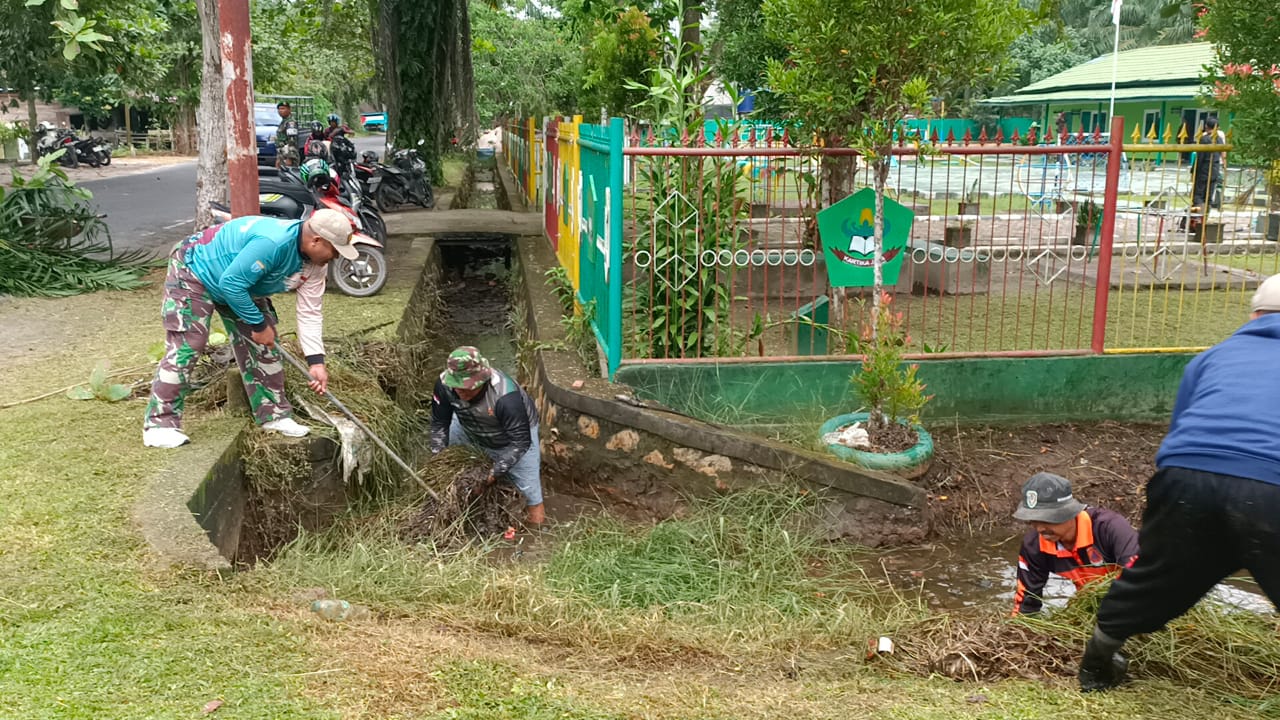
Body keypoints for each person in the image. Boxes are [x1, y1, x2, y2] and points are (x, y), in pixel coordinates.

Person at [1078, 274, 1280, 692]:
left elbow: (1179, 432)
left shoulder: (1212, 357)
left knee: (1155, 575)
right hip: (1271, 484)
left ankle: (1096, 665)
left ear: (1255, 315)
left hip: (1185, 477)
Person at [142, 210, 360, 449]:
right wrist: (257, 324)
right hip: (195, 269)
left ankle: (274, 415)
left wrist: (316, 362)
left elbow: (310, 312)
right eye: (335, 251)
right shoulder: (273, 243)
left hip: (241, 283)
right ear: (316, 241)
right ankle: (159, 425)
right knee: (190, 342)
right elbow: (231, 283)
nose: (336, 258)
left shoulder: (315, 264)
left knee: (263, 345)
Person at [429, 347, 545, 525]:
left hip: (512, 436)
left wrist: (491, 474)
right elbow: (439, 423)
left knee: (530, 492)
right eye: (457, 386)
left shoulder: (506, 397)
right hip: (467, 425)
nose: (461, 392)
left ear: (482, 378)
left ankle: (536, 533)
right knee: (451, 469)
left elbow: (520, 442)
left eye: (468, 388)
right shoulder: (443, 385)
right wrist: (438, 457)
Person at [1011, 472, 1139, 616]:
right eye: (1033, 520)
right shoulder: (1034, 546)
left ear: (1069, 513)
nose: (1040, 529)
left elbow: (1138, 576)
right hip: (1089, 606)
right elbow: (1025, 605)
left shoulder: (1110, 528)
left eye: (1046, 520)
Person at [1190, 116, 1226, 216]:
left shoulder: (1204, 139)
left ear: (1206, 126)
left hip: (1203, 171)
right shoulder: (1219, 140)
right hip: (1214, 170)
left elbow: (1200, 157)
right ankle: (1205, 217)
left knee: (1198, 195)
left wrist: (1194, 171)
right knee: (1208, 195)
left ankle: (1198, 218)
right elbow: (1222, 153)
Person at [275, 102, 300, 168]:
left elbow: (292, 141)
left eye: (283, 109)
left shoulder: (290, 123)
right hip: (282, 154)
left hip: (288, 155)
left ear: (289, 110)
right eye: (279, 109)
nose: (280, 111)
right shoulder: (284, 122)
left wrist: (290, 158)